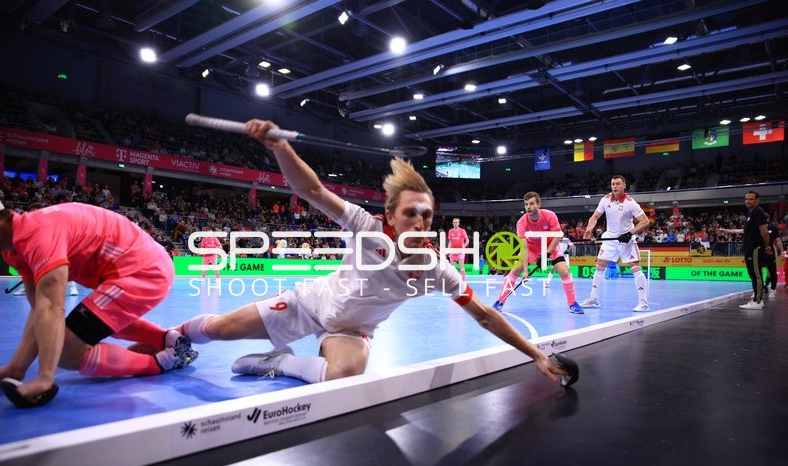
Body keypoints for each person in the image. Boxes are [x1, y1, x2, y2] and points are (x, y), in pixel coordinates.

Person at [177, 118, 576, 386]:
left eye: (426, 214)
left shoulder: (437, 269)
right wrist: (280, 146)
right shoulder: (366, 227)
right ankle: (172, 339)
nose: (419, 221)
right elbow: (311, 189)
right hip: (310, 304)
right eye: (410, 213)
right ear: (390, 216)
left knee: (345, 375)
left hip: (350, 331)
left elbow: (485, 315)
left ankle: (279, 362)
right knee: (217, 330)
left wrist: (535, 354)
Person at [0, 184, 198, 407]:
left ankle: (163, 362)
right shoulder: (14, 249)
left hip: (143, 269)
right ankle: (167, 339)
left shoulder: (37, 235)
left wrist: (45, 379)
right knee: (99, 321)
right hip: (137, 265)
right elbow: (40, 309)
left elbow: (50, 308)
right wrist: (16, 368)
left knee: (67, 351)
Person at [492, 192, 584, 314]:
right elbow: (524, 248)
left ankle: (572, 303)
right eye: (526, 204)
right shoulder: (521, 222)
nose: (528, 207)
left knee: (564, 271)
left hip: (550, 245)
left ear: (538, 204)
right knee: (515, 270)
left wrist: (547, 254)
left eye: (531, 204)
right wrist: (525, 272)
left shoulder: (550, 216)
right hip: (531, 247)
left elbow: (557, 236)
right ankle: (500, 301)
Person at [580, 175, 651, 312]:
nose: (615, 186)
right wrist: (589, 230)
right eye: (613, 184)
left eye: (618, 184)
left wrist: (630, 233)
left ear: (624, 186)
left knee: (635, 268)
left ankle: (643, 302)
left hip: (626, 240)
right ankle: (594, 299)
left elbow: (645, 221)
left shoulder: (630, 203)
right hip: (610, 239)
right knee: (599, 267)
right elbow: (595, 217)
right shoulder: (605, 200)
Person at [717, 190, 770, 310]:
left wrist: (766, 246)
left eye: (751, 199)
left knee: (756, 275)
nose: (748, 201)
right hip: (749, 248)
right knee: (753, 275)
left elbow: (764, 232)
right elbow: (743, 231)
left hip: (755, 248)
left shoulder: (758, 212)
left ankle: (758, 301)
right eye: (746, 199)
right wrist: (725, 230)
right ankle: (756, 298)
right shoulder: (750, 214)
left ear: (757, 200)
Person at [763, 217, 784, 297]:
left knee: (771, 273)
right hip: (759, 253)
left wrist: (782, 252)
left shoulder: (773, 228)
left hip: (770, 253)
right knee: (757, 272)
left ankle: (772, 289)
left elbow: (777, 241)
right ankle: (758, 290)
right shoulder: (756, 228)